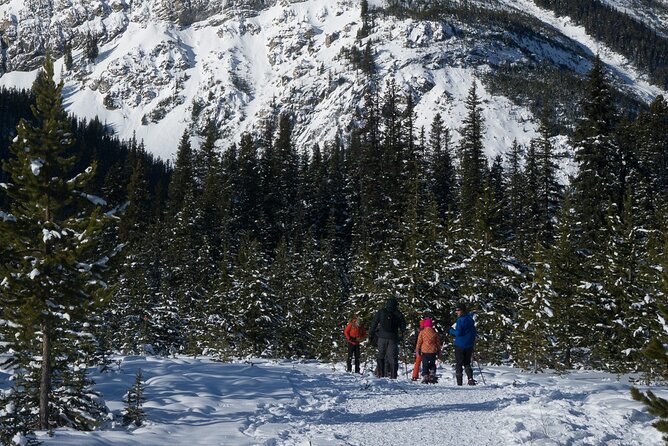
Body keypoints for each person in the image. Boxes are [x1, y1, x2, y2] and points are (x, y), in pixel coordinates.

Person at [369, 297, 406, 379]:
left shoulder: (381, 312)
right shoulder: (398, 313)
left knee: (381, 355)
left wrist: (371, 334)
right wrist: (401, 336)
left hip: (381, 337)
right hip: (393, 337)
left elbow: (374, 323)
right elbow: (403, 328)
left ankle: (381, 375)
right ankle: (393, 376)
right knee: (392, 357)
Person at [449, 303, 477, 385]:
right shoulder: (470, 319)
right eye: (456, 310)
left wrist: (450, 330)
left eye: (458, 310)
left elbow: (458, 333)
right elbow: (473, 332)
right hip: (469, 344)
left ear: (462, 311)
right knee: (467, 363)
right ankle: (470, 378)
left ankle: (459, 382)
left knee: (459, 363)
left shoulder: (461, 320)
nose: (456, 312)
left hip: (460, 344)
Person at [416, 318, 441, 384]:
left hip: (424, 351)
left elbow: (419, 342)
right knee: (432, 364)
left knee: (425, 364)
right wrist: (439, 351)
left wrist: (417, 350)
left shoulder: (422, 332)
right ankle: (432, 373)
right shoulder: (434, 332)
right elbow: (438, 343)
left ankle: (425, 375)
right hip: (433, 351)